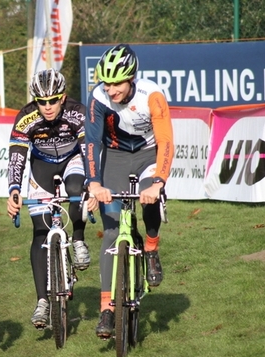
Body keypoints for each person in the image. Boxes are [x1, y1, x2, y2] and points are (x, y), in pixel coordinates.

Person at [84, 44, 174, 338]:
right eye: (107, 83)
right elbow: (92, 143)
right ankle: (107, 310)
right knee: (111, 233)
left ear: (132, 78)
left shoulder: (152, 95)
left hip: (149, 155)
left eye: (117, 84)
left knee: (149, 202)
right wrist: (94, 183)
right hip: (116, 157)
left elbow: (165, 142)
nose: (111, 90)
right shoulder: (98, 97)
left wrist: (159, 181)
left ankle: (151, 247)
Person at [6, 68, 91, 330]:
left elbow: (89, 150)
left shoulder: (78, 112)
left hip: (72, 160)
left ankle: (77, 239)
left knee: (76, 188)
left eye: (53, 100)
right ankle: (42, 300)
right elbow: (18, 155)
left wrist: (95, 184)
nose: (48, 107)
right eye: (42, 102)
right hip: (42, 167)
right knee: (40, 231)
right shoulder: (26, 117)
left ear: (63, 97)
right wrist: (14, 190)